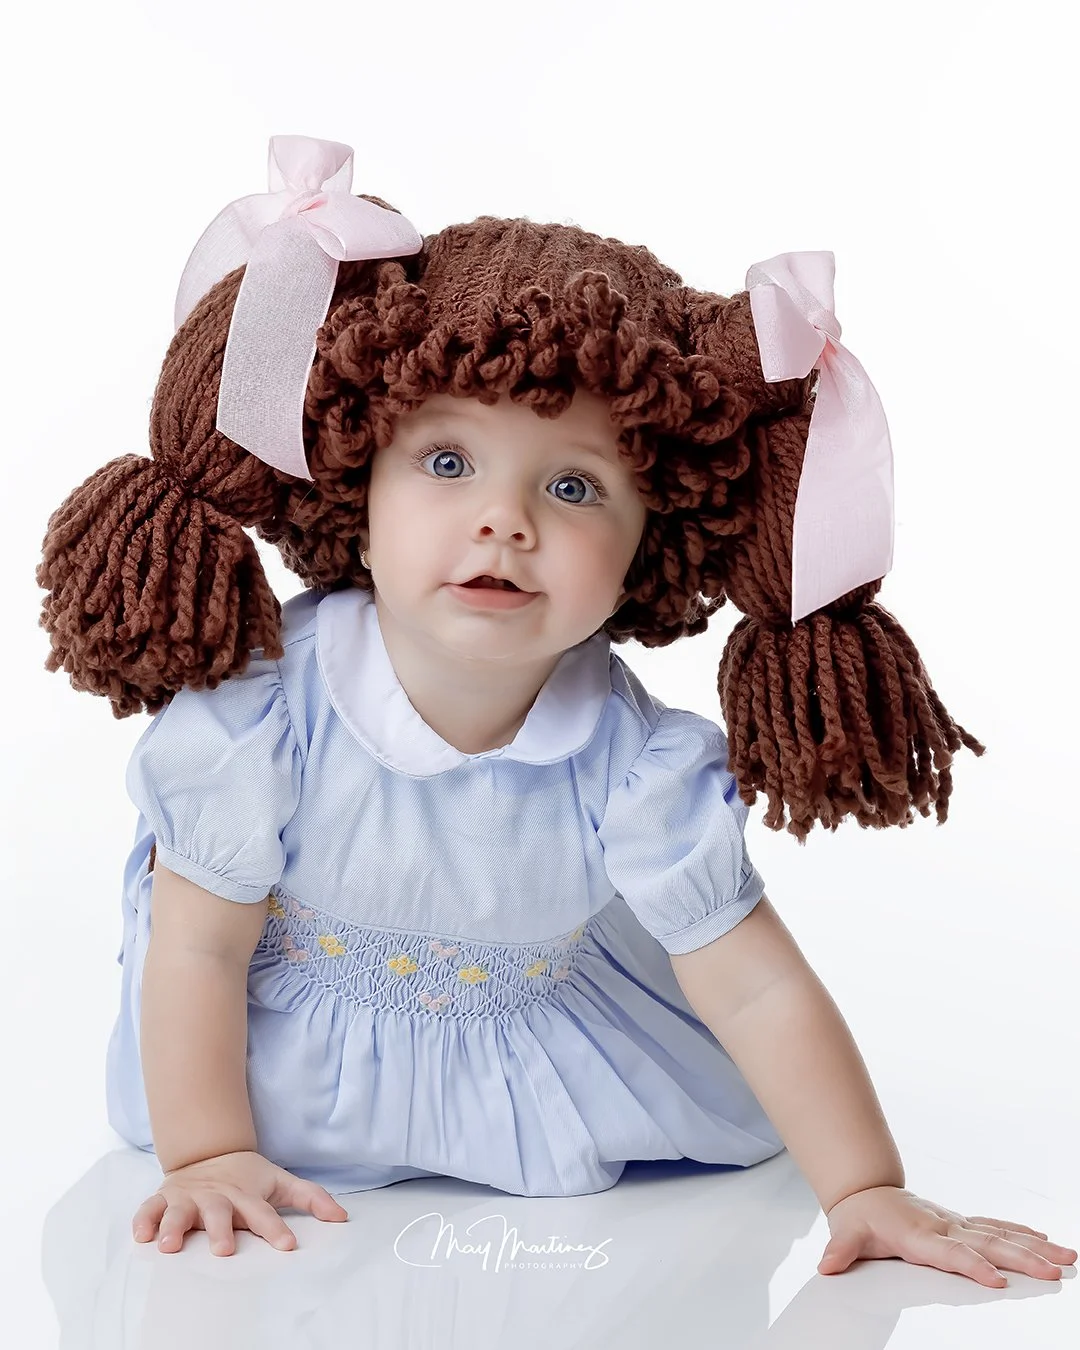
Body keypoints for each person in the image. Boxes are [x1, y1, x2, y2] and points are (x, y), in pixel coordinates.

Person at [36, 135, 1075, 1284]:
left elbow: (756, 980)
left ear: (649, 546)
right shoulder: (263, 713)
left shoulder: (638, 766)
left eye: (572, 486)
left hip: (537, 1073)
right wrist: (210, 1151)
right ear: (354, 489)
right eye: (444, 464)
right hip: (245, 1072)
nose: (504, 520)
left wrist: (868, 1186)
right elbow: (196, 941)